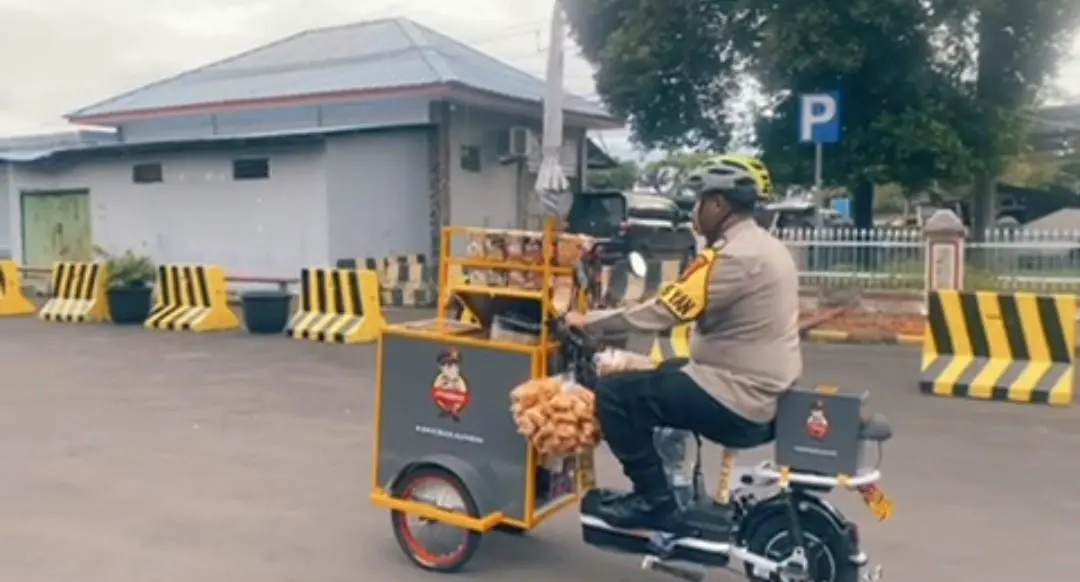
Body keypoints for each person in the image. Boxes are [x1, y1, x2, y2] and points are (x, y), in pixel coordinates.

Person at [564, 156, 802, 531]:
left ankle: (654, 501)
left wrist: (589, 322)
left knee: (615, 395)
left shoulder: (734, 257)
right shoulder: (765, 247)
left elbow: (667, 310)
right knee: (664, 374)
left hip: (739, 398)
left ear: (719, 205)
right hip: (760, 389)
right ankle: (681, 487)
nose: (695, 211)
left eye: (700, 201)